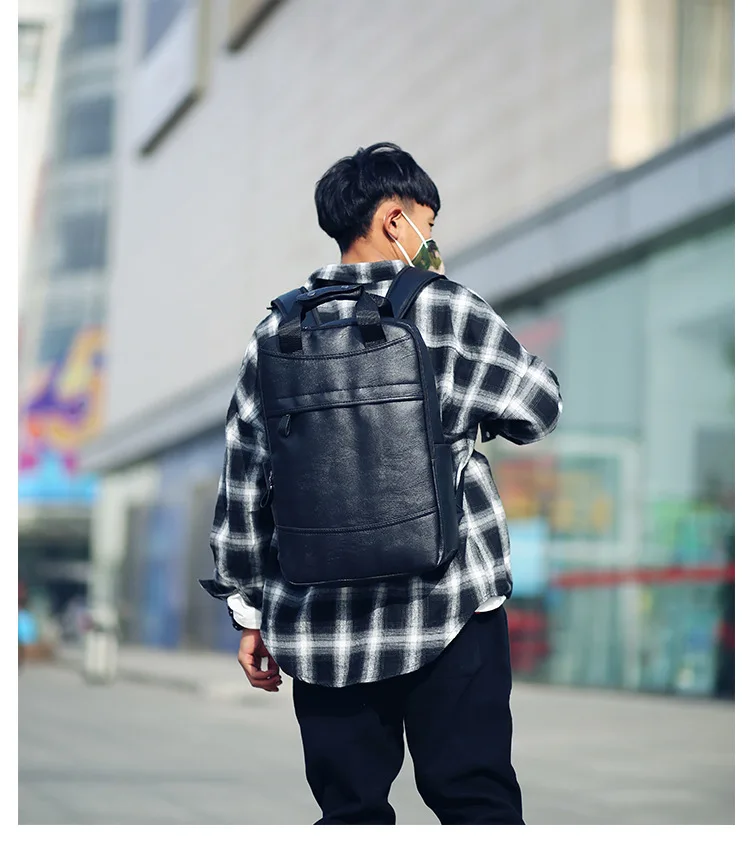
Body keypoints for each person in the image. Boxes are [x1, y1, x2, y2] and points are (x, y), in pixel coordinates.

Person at [201, 142, 562, 825]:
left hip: (321, 624)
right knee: (476, 801)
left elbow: (244, 481)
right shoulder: (444, 308)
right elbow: (538, 407)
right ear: (396, 220)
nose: (432, 239)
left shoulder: (275, 331)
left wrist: (248, 612)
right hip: (449, 607)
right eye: (428, 222)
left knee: (351, 813)